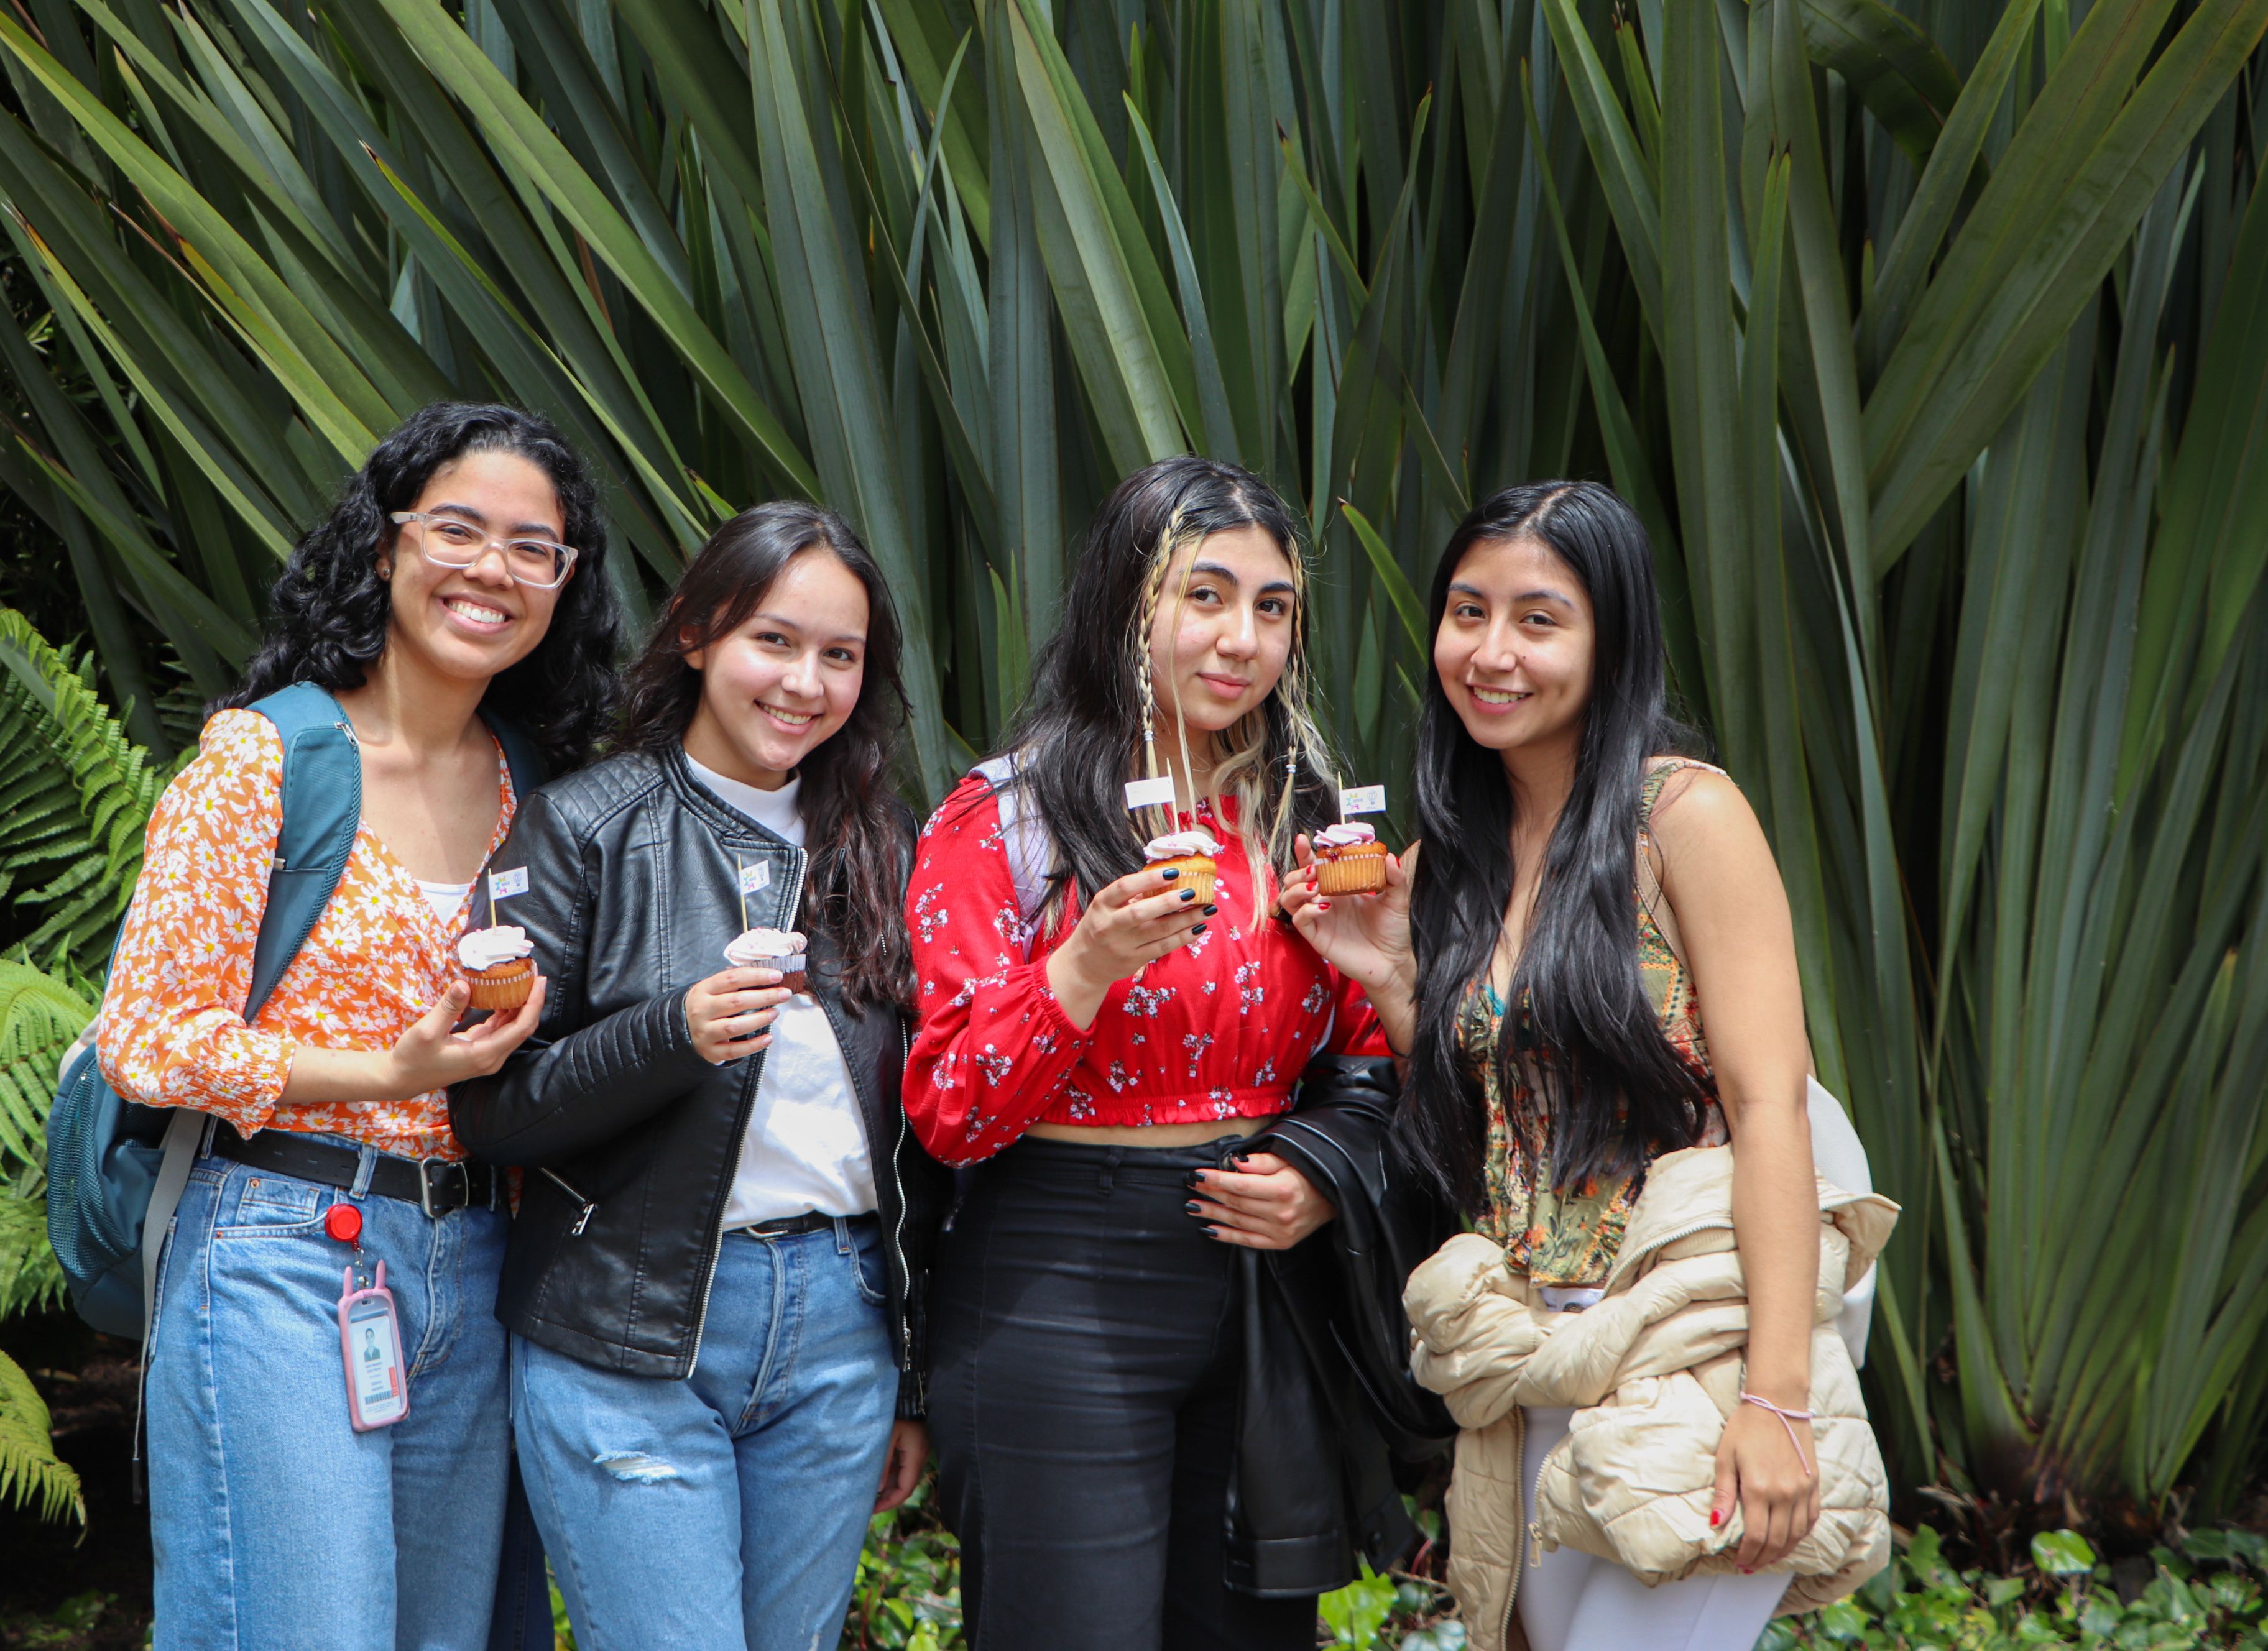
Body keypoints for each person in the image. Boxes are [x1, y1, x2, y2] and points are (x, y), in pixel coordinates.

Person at [1280, 481, 1886, 1651]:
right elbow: (1494, 1144)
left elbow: (1771, 1110)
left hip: (1693, 1353)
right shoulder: (1454, 851)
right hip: (1535, 1360)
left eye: (1539, 619)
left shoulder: (1684, 818)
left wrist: (1776, 1403)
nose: (1492, 652)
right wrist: (1398, 987)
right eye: (1468, 612)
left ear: (1612, 643)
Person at [99, 402, 623, 1651]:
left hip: (476, 1261)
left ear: (563, 582)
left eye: (532, 546)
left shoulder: (534, 783)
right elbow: (148, 1035)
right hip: (284, 1243)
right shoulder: (264, 758)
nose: (492, 567)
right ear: (386, 548)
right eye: (459, 528)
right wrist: (388, 1067)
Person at [904, 455, 1414, 1651]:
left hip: (1259, 1279)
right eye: (1206, 595)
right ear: (1128, 603)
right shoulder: (1009, 818)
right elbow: (947, 1110)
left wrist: (1319, 1174)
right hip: (1059, 1275)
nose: (1242, 639)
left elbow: (1374, 1059)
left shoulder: (1308, 814)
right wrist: (1082, 965)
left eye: (1273, 606)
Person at [449, 502, 945, 1651]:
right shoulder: (583, 829)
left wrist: (908, 1377)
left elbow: (921, 1137)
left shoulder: (887, 843)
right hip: (627, 1324)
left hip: (840, 1322)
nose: (803, 683)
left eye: (840, 655)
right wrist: (670, 1036)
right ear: (696, 634)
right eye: (773, 640)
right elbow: (489, 1106)